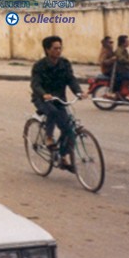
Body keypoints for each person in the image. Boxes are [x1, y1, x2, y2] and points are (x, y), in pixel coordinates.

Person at [30, 36, 87, 171]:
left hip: (59, 99)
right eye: (55, 48)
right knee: (52, 112)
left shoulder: (64, 64)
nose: (58, 51)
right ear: (47, 50)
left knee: (69, 130)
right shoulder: (39, 66)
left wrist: (79, 92)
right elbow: (35, 84)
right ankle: (48, 137)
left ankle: (63, 157)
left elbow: (71, 79)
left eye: (60, 48)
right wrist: (44, 94)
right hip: (42, 98)